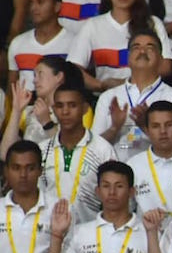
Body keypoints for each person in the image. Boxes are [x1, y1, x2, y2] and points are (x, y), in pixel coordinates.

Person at [89, 30, 172, 163]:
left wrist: (145, 126)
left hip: (156, 173)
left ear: (161, 59)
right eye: (136, 47)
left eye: (150, 47)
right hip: (115, 174)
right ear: (128, 58)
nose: (142, 52)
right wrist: (115, 127)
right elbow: (93, 148)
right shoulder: (108, 97)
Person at [67, 0, 172, 90]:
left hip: (147, 95)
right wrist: (100, 85)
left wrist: (126, 83)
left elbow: (166, 66)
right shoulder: (92, 25)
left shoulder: (153, 23)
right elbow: (72, 68)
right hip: (105, 97)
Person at [37, 83, 117, 226]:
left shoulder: (103, 150)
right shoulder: (42, 150)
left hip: (89, 235)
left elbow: (115, 198)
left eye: (72, 105)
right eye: (60, 106)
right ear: (53, 110)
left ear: (85, 108)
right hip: (48, 234)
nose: (65, 112)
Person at [0, 142, 56, 253]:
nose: (23, 175)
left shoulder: (57, 209)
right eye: (16, 168)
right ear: (6, 171)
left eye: (30, 168)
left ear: (40, 170)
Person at [126, 100, 172, 223]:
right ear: (147, 131)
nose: (163, 131)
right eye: (156, 126)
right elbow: (127, 211)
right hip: (147, 237)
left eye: (169, 125)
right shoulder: (133, 165)